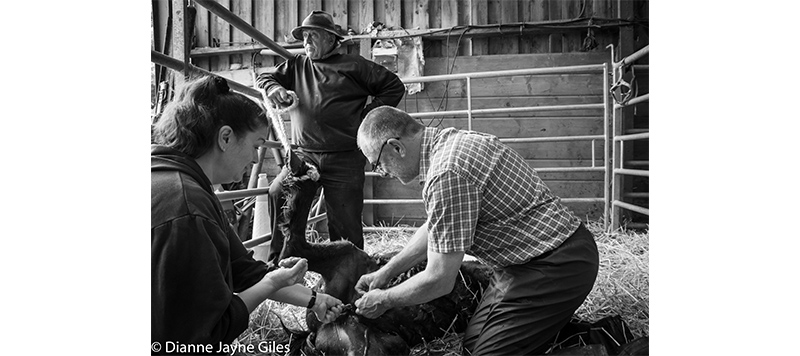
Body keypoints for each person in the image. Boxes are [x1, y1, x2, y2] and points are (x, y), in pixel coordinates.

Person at [353, 106, 600, 355]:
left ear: (397, 147)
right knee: (473, 345)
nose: (383, 174)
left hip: (557, 263)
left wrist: (383, 300)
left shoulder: (446, 173)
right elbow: (437, 228)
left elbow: (439, 280)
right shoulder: (449, 144)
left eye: (378, 164)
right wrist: (385, 273)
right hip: (521, 264)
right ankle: (554, 331)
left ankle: (596, 348)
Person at [151, 76, 343, 354]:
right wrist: (271, 283)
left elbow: (245, 272)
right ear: (225, 137)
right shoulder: (188, 207)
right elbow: (197, 341)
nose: (255, 159)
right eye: (256, 145)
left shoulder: (181, 185)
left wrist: (314, 299)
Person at [255, 10, 405, 265]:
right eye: (304, 36)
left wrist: (366, 116)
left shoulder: (354, 65)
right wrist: (275, 88)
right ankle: (280, 265)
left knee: (345, 224)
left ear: (330, 38)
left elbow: (394, 86)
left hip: (345, 157)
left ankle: (349, 277)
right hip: (303, 155)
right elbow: (264, 77)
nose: (306, 41)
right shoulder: (297, 65)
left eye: (313, 35)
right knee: (278, 191)